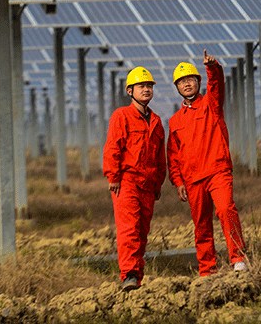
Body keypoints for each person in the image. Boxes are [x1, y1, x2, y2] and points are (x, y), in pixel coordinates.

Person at [167, 49, 247, 276]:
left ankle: (238, 258)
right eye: (181, 82)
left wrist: (212, 68)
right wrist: (178, 181)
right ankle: (207, 269)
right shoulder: (174, 121)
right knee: (201, 225)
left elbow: (217, 86)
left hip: (217, 170)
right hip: (193, 179)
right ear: (178, 88)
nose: (187, 84)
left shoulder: (211, 104)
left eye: (190, 79)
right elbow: (173, 156)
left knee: (225, 210)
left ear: (198, 82)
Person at [103, 66, 166, 291]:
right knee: (129, 228)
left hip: (148, 184)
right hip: (127, 181)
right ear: (130, 91)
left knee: (142, 231)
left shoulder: (157, 121)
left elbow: (160, 155)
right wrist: (113, 176)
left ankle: (136, 277)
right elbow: (113, 147)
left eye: (149, 86)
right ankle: (128, 274)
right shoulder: (121, 116)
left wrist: (158, 182)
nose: (146, 90)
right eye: (142, 86)